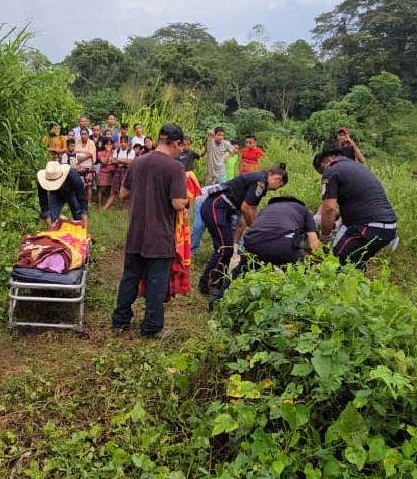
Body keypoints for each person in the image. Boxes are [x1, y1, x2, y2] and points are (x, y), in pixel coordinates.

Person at [111, 124, 187, 340]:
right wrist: (187, 199)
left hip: (135, 231)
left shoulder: (138, 161)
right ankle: (152, 327)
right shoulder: (175, 168)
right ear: (176, 143)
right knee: (156, 282)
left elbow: (123, 194)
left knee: (130, 277)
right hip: (159, 235)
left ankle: (120, 320)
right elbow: (177, 204)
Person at [198, 164, 288, 294]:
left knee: (226, 248)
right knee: (225, 249)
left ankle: (217, 281)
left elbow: (253, 208)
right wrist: (254, 229)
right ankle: (208, 284)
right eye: (279, 186)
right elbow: (246, 208)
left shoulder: (260, 181)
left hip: (223, 209)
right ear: (278, 179)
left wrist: (258, 227)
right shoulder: (260, 181)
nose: (275, 190)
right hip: (217, 205)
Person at [313, 149, 397, 267]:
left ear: (327, 161)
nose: (323, 175)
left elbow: (329, 209)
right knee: (355, 264)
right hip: (388, 227)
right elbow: (336, 208)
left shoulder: (331, 170)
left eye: (322, 172)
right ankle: (360, 284)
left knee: (335, 263)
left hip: (367, 227)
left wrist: (325, 236)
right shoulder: (356, 167)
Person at [242, 196, 321, 266]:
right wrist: (317, 261)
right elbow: (313, 241)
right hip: (283, 245)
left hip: (252, 242)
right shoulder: (303, 210)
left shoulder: (265, 209)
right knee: (298, 273)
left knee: (244, 270)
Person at [37, 160, 89, 230]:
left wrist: (84, 226)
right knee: (52, 221)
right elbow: (43, 202)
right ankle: (62, 220)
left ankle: (70, 224)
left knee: (79, 220)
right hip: (55, 194)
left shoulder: (73, 175)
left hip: (72, 193)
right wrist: (49, 225)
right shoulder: (41, 180)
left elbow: (82, 198)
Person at [105, 135, 135, 209]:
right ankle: (105, 208)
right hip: (118, 170)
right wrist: (122, 160)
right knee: (114, 190)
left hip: (127, 171)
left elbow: (130, 162)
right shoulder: (117, 151)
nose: (123, 144)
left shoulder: (131, 151)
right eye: (121, 142)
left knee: (126, 190)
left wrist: (118, 160)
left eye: (125, 142)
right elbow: (112, 160)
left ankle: (125, 210)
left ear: (128, 143)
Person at [96, 138, 115, 205]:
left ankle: (107, 204)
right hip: (103, 173)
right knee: (101, 189)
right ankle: (99, 205)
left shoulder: (115, 152)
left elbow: (115, 161)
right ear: (104, 145)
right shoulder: (100, 153)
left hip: (112, 173)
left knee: (110, 189)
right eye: (107, 144)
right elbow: (104, 161)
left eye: (110, 144)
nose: (109, 146)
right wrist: (108, 152)